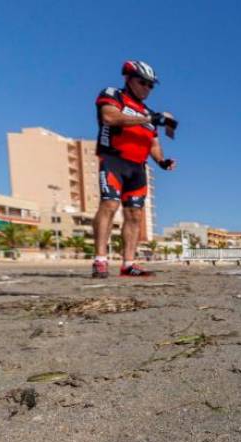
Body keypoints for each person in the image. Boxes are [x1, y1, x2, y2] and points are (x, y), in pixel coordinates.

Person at [91, 60, 177, 278]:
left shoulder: (149, 113)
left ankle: (128, 264)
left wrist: (162, 161)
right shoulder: (113, 94)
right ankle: (100, 260)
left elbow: (154, 143)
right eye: (143, 83)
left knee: (135, 214)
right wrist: (149, 118)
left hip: (138, 168)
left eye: (151, 85)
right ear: (128, 79)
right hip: (114, 160)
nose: (147, 88)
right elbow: (109, 117)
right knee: (109, 205)